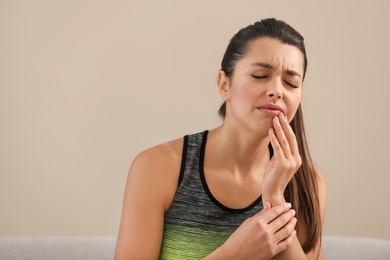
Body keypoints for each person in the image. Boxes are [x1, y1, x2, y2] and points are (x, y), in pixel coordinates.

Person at [114, 18, 326, 260]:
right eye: (259, 75)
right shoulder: (156, 167)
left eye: (291, 83)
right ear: (224, 84)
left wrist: (276, 197)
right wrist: (234, 254)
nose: (277, 90)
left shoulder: (308, 182)